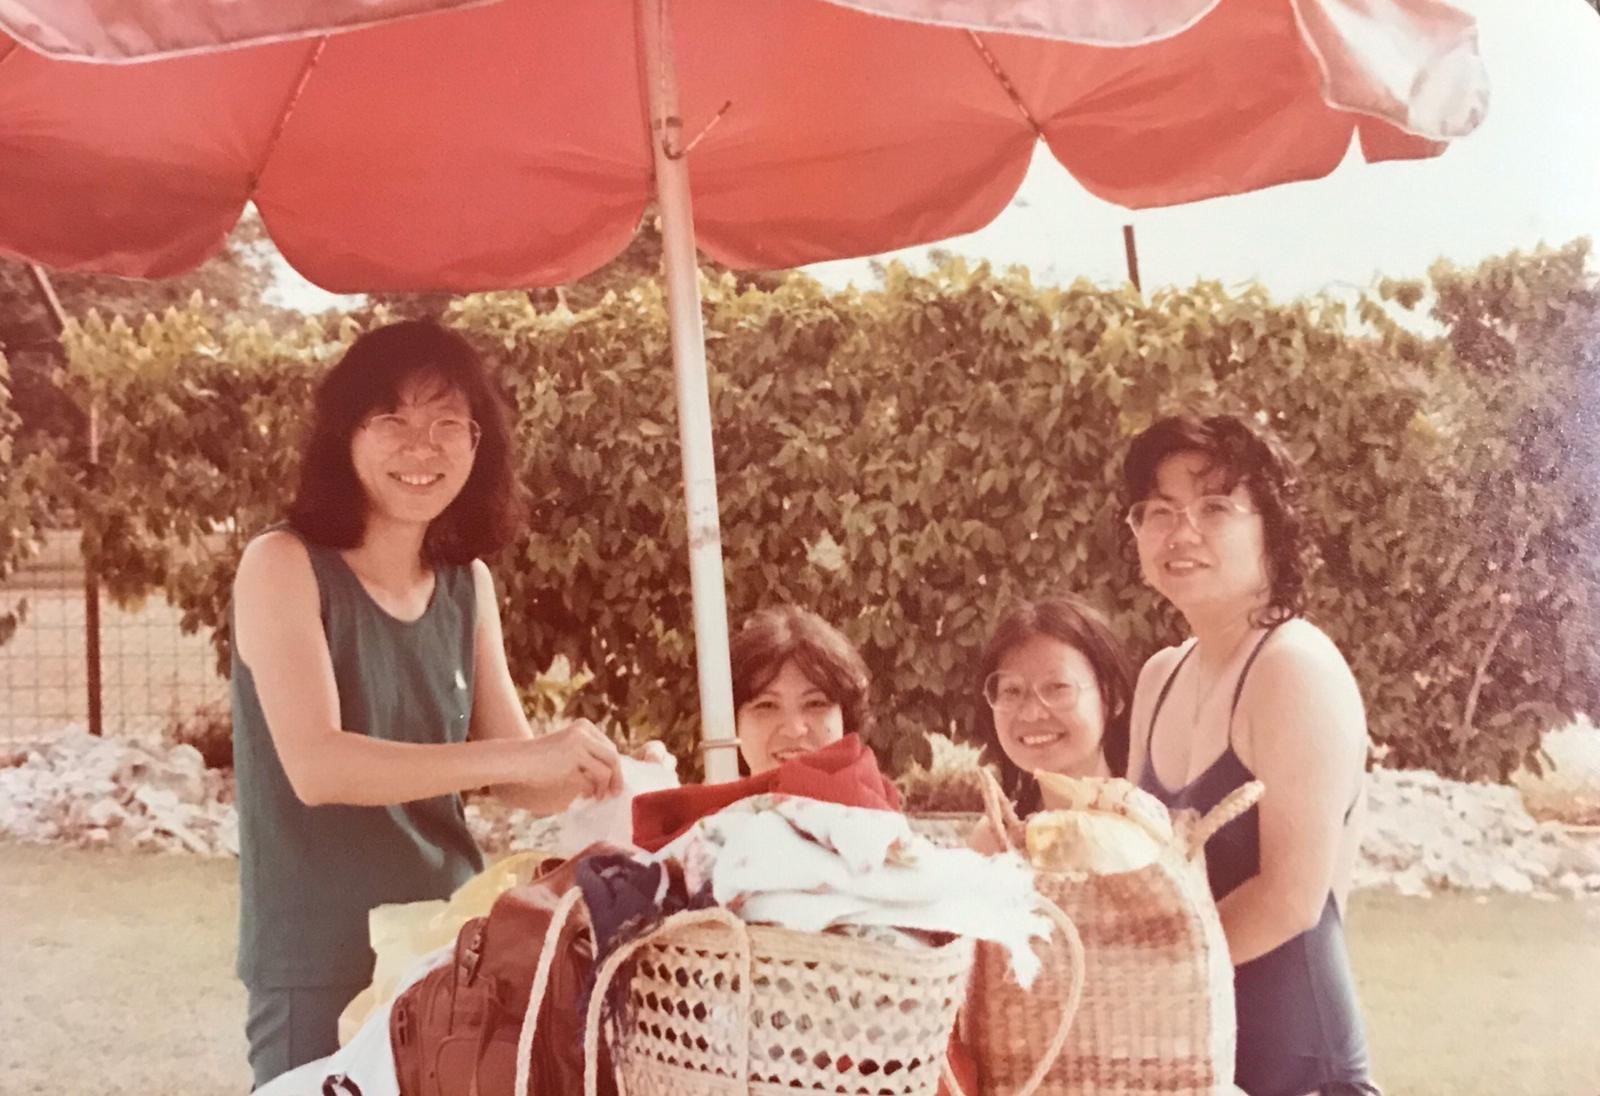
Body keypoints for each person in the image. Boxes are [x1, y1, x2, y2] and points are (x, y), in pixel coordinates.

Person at [230, 319, 622, 1087]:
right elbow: (319, 765)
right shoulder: (281, 564)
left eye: (450, 424)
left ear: (479, 447)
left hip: (444, 951)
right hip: (315, 957)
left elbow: (518, 774)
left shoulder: (466, 583)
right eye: (394, 422)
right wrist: (520, 756)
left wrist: (595, 765)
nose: (424, 447)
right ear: (345, 436)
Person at [1121, 413, 1377, 1096]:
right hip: (1189, 1059)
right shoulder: (1161, 675)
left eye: (1215, 508)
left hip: (1297, 1067)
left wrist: (1138, 982)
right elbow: (1135, 872)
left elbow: (1290, 897)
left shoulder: (1294, 666)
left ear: (1272, 528)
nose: (1182, 533)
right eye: (1158, 511)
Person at [970, 593, 1135, 816]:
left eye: (1058, 687)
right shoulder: (994, 841)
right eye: (1011, 691)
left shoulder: (1151, 831)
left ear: (1113, 696)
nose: (1031, 713)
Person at [728, 604, 873, 774]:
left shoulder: (877, 800)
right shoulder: (704, 800)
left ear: (845, 719)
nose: (794, 731)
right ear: (733, 723)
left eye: (815, 703)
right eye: (767, 705)